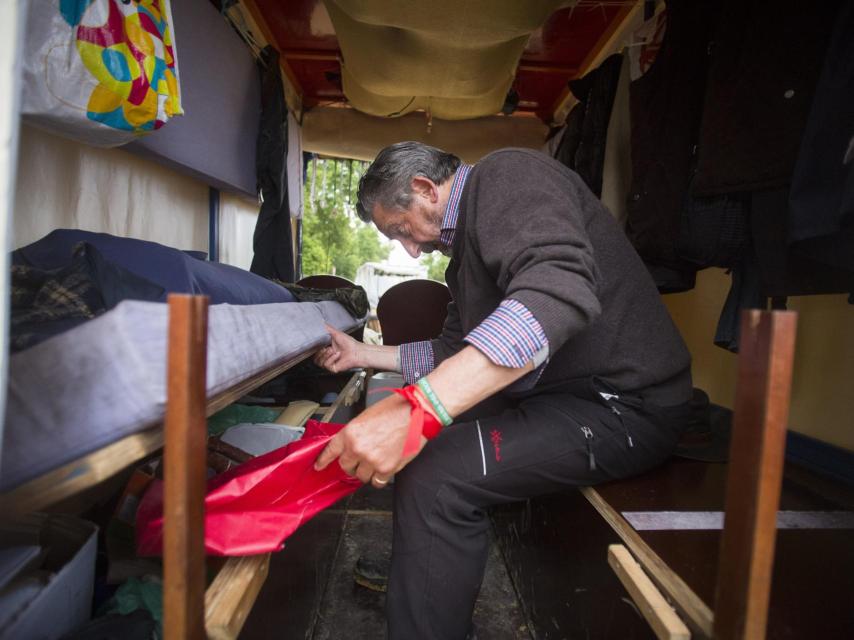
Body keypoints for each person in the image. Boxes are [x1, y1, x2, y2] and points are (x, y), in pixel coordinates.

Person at [313, 142, 692, 639]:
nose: (410, 250)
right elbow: (451, 353)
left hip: (624, 404)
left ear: (425, 188)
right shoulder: (463, 260)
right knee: (446, 423)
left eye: (402, 229)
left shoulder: (508, 174)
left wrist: (417, 410)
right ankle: (426, 567)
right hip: (563, 394)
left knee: (434, 471)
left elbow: (557, 292)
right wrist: (362, 355)